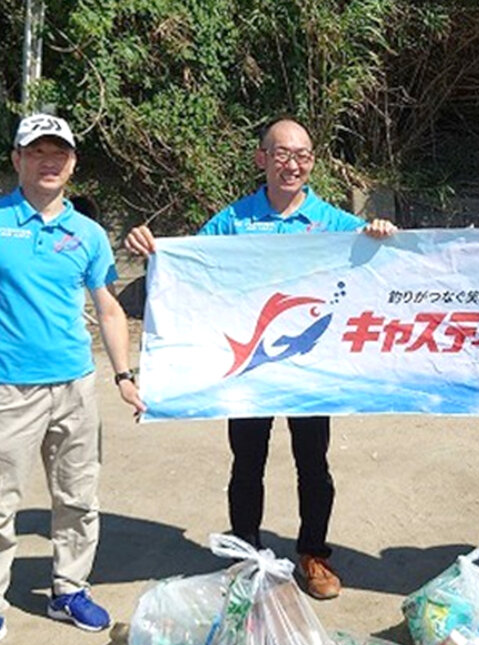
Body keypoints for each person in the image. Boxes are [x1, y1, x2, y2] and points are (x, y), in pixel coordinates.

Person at [124, 117, 395, 600]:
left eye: (303, 156)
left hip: (311, 368)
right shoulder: (233, 220)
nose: (293, 165)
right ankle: (246, 553)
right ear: (261, 159)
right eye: (282, 154)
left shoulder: (332, 221)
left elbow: (380, 256)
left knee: (313, 462)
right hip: (248, 368)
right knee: (246, 460)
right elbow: (187, 263)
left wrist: (379, 230)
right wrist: (152, 248)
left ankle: (314, 555)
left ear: (312, 163)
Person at [0, 113, 144, 645]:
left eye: (59, 153)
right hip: (6, 385)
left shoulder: (87, 233)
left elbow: (107, 305)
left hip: (75, 384)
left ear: (73, 164)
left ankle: (68, 590)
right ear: (17, 159)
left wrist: (124, 376)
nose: (49, 161)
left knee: (78, 497)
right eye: (37, 152)